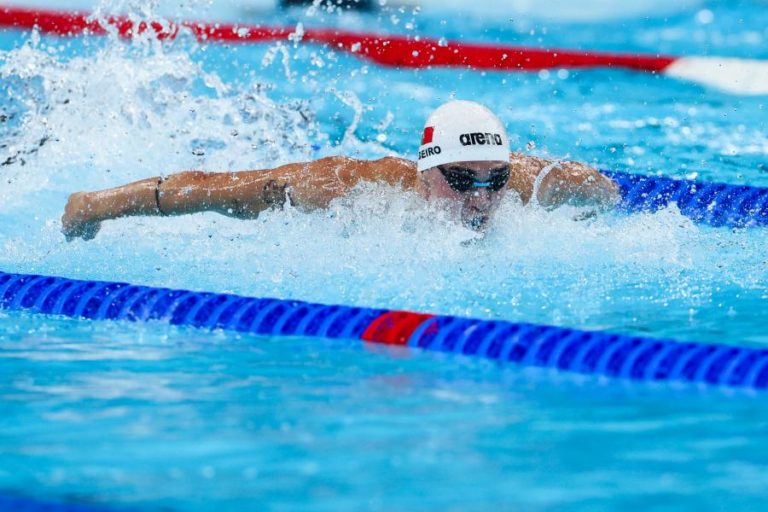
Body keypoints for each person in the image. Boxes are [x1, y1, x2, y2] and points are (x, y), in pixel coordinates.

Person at [61, 100, 620, 241]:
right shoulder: (347, 187)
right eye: (460, 180)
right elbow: (208, 190)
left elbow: (595, 186)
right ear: (426, 174)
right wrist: (95, 207)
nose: (481, 197)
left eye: (493, 180)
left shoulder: (520, 182)